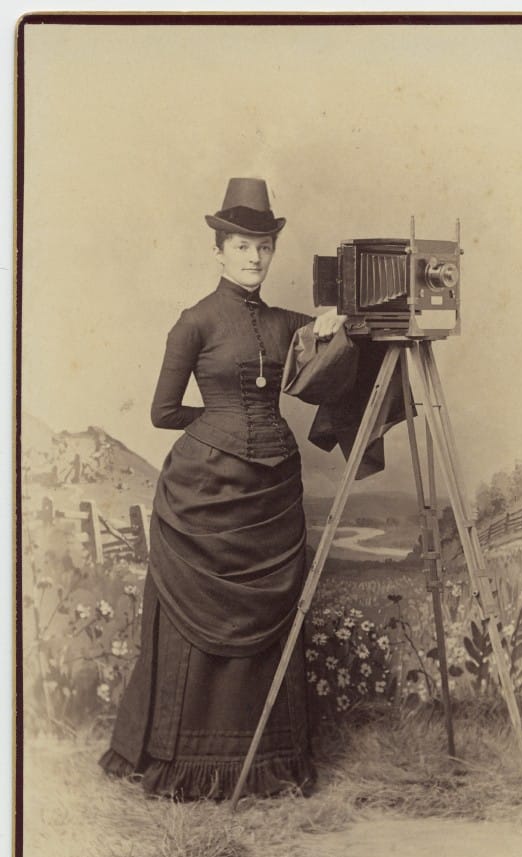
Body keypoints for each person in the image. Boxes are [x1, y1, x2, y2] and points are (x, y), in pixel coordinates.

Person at [99, 177, 348, 801]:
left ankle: (269, 756)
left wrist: (333, 326)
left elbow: (335, 347)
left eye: (263, 246)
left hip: (271, 494)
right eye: (241, 245)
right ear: (218, 250)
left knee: (268, 618)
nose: (253, 257)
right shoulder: (194, 322)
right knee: (196, 621)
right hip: (205, 492)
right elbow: (162, 412)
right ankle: (184, 760)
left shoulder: (290, 323)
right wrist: (217, 426)